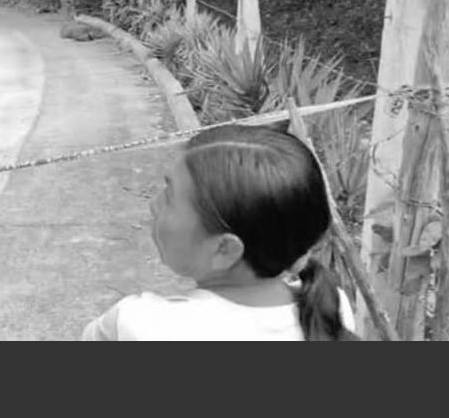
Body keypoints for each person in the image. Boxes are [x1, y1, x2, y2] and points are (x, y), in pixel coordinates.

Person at [82, 124, 358, 341]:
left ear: (224, 249)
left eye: (169, 196)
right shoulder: (332, 309)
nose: (154, 205)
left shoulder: (140, 324)